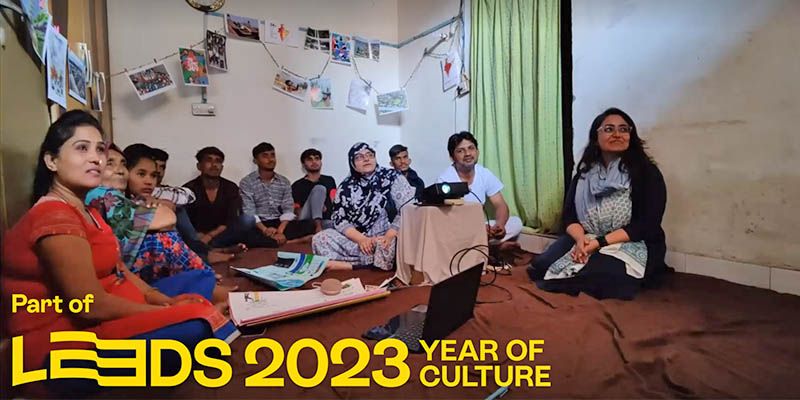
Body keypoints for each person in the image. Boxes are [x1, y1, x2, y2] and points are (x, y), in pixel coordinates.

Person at [1, 111, 235, 395]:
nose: (96, 158)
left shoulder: (88, 210)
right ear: (51, 160)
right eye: (81, 148)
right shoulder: (53, 217)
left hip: (113, 308)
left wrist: (158, 298)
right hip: (64, 346)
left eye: (100, 149)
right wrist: (166, 310)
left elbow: (120, 271)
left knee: (195, 281)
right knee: (197, 321)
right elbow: (89, 306)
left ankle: (222, 314)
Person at [527, 108, 668, 300]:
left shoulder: (646, 173)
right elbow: (570, 216)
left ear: (631, 135)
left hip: (632, 241)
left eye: (624, 129)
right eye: (609, 129)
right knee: (541, 265)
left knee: (603, 274)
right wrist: (580, 241)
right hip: (588, 237)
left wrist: (599, 243)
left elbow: (646, 224)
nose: (617, 134)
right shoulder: (584, 176)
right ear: (596, 136)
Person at [312, 142, 415, 270]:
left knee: (394, 244)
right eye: (359, 157)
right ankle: (368, 263)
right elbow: (339, 219)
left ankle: (350, 266)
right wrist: (361, 239)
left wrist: (389, 235)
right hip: (356, 241)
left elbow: (408, 209)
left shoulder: (392, 177)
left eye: (369, 155)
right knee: (320, 238)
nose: (366, 159)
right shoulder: (346, 186)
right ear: (352, 164)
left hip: (384, 237)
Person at [437, 131, 523, 243]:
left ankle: (485, 245)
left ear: (477, 151)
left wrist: (499, 226)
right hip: (458, 229)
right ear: (452, 157)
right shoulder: (445, 180)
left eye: (471, 148)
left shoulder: (484, 173)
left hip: (480, 226)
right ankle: (490, 247)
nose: (467, 153)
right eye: (460, 151)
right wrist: (477, 229)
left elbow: (500, 205)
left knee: (516, 223)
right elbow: (446, 219)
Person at [237, 142, 316, 247]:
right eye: (265, 156)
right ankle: (292, 241)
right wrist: (265, 230)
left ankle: (275, 242)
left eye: (272, 155)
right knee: (243, 231)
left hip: (279, 223)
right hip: (259, 224)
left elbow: (288, 208)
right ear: (256, 160)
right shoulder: (247, 182)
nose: (270, 159)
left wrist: (280, 231)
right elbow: (249, 211)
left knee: (309, 224)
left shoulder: (284, 181)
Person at [183, 146, 243, 247]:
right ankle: (212, 247)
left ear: (222, 167)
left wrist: (210, 236)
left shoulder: (230, 187)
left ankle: (209, 247)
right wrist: (199, 235)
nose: (214, 165)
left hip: (222, 233)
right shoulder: (188, 189)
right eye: (209, 160)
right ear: (199, 166)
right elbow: (186, 221)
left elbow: (231, 219)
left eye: (218, 161)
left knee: (247, 221)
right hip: (197, 234)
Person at [291, 148, 337, 233]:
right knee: (319, 188)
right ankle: (318, 227)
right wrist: (316, 206)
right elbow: (296, 211)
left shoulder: (329, 180)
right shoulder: (297, 185)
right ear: (304, 164)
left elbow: (334, 201)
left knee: (339, 225)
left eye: (317, 158)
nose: (314, 162)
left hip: (326, 220)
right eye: (309, 159)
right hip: (306, 220)